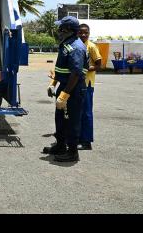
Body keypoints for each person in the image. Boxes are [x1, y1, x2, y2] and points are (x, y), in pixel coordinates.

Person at [44, 16, 88, 162]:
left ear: (69, 30)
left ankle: (72, 152)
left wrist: (65, 94)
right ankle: (61, 145)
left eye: (61, 29)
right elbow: (62, 69)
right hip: (64, 86)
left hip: (73, 90)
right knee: (61, 119)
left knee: (71, 120)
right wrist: (53, 84)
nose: (58, 31)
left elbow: (76, 73)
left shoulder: (75, 47)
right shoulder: (66, 44)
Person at [77, 23, 102, 150]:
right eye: (80, 32)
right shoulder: (76, 45)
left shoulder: (91, 47)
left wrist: (86, 69)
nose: (83, 35)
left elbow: (99, 64)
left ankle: (86, 142)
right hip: (77, 83)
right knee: (78, 112)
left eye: (85, 33)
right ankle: (78, 137)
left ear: (89, 34)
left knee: (86, 112)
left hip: (87, 84)